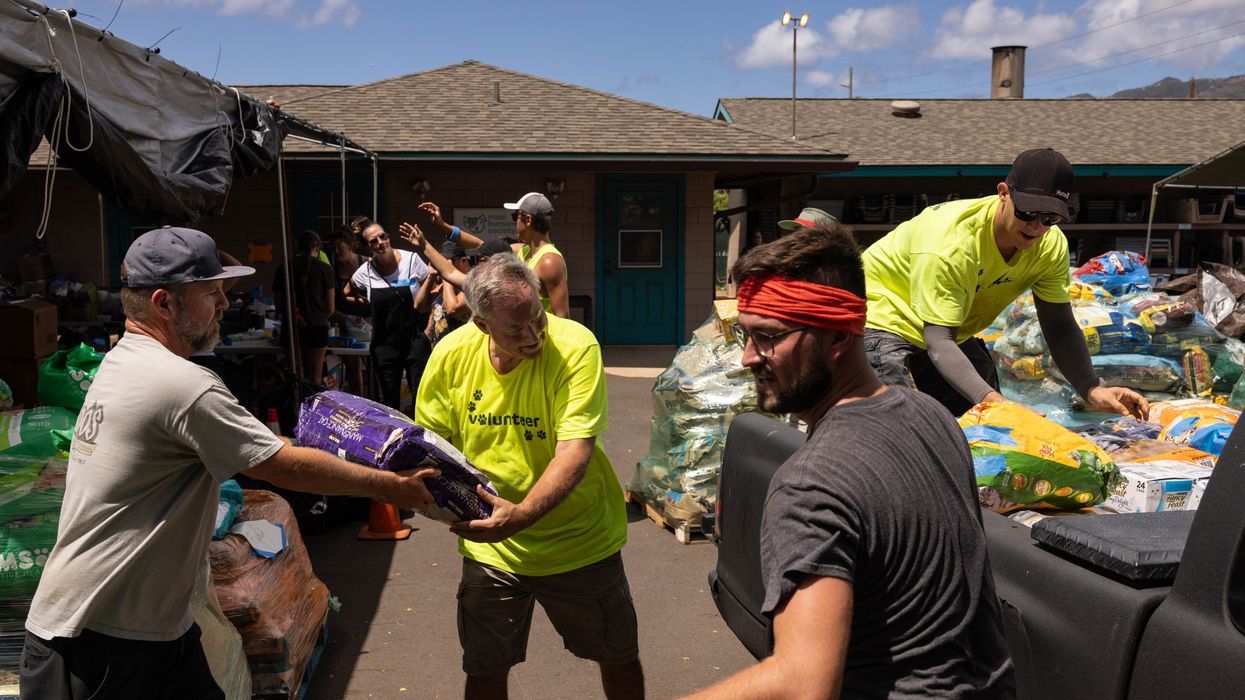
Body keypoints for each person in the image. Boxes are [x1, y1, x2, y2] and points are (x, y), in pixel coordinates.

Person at [20, 227, 436, 699]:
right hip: (100, 643)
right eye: (211, 294)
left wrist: (208, 274)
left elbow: (260, 444)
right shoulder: (181, 384)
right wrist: (390, 486)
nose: (225, 304)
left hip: (146, 625)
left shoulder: (125, 360)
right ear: (164, 304)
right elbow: (283, 466)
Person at [682, 222, 1014, 699]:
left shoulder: (810, 485)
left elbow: (802, 683)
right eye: (745, 336)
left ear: (838, 336)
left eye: (769, 337)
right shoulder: (933, 417)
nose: (747, 358)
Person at [415, 254, 642, 700]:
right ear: (481, 326)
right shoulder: (451, 354)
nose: (534, 336)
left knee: (617, 655)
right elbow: (433, 446)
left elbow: (575, 450)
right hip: (493, 550)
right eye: (515, 330)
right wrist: (428, 494)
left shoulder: (576, 346)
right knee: (484, 668)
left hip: (579, 541)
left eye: (537, 317)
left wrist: (520, 516)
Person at [862, 148, 1149, 418]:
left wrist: (1091, 386)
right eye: (1028, 212)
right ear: (1003, 194)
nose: (1036, 226)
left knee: (988, 429)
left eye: (1050, 217)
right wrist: (995, 402)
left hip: (948, 333)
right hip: (882, 320)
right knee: (902, 425)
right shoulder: (953, 243)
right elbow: (939, 342)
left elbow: (1059, 326)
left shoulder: (1049, 246)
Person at [417, 194, 569, 317]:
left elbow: (563, 317)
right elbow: (483, 246)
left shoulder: (549, 261)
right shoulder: (524, 250)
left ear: (528, 220)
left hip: (541, 344)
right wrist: (443, 226)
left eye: (515, 216)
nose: (514, 222)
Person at [342, 221, 431, 413]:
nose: (381, 242)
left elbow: (432, 287)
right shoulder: (365, 271)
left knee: (421, 398)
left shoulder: (411, 260)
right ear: (368, 247)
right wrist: (367, 307)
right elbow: (347, 292)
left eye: (383, 236)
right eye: (374, 241)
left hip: (414, 341)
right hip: (385, 346)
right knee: (388, 404)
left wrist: (429, 326)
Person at [273, 230, 336, 385]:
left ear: (298, 247)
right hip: (317, 328)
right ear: (317, 248)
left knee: (296, 379)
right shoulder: (325, 269)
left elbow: (278, 304)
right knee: (315, 379)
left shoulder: (284, 268)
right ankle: (312, 409)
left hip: (292, 327)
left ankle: (296, 408)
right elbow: (330, 308)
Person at [416, 239, 471, 347]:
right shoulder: (443, 287)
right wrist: (430, 276)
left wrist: (446, 276)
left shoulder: (471, 283)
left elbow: (453, 309)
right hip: (438, 351)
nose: (441, 266)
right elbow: (419, 306)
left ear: (463, 261)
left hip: (459, 350)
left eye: (445, 262)